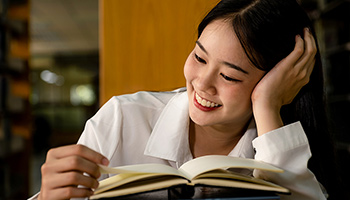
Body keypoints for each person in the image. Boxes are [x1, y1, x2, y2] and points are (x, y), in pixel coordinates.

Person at [30, 0, 344, 199]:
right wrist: (48, 197)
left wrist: (267, 107)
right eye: (199, 57)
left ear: (280, 82)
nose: (202, 84)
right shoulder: (123, 117)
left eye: (230, 77)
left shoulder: (283, 138)